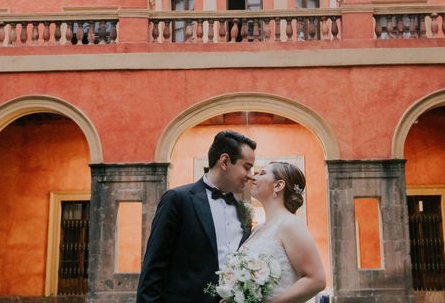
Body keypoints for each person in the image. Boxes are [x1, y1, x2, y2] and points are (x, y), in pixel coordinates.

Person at [136, 130, 257, 303]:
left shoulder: (243, 210)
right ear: (225, 161)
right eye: (246, 166)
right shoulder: (178, 199)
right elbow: (154, 267)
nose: (250, 175)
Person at [242, 161, 326, 303]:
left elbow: (316, 280)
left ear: (278, 185)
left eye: (262, 173)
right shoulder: (257, 230)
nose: (253, 177)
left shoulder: (290, 224)